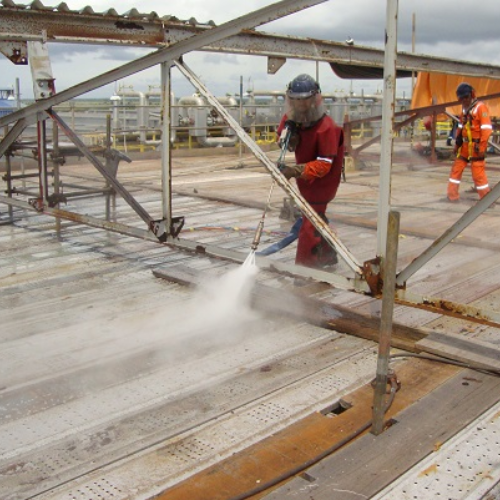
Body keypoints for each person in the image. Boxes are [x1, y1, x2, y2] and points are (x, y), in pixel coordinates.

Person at [277, 74, 344, 268]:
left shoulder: (327, 128)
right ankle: (327, 256)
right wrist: (287, 136)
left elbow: (324, 165)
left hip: (323, 183)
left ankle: (305, 269)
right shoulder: (293, 119)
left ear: (314, 99)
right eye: (295, 100)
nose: (300, 105)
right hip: (305, 179)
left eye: (304, 100)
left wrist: (294, 170)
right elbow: (281, 137)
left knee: (310, 223)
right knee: (318, 218)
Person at [447, 82, 493, 202]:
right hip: (465, 146)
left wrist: (482, 147)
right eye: (461, 98)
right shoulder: (464, 109)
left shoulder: (480, 108)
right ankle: (452, 196)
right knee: (456, 170)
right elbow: (461, 128)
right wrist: (457, 146)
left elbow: (486, 130)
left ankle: (486, 201)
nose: (464, 100)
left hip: (476, 146)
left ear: (471, 95)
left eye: (466, 97)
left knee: (478, 175)